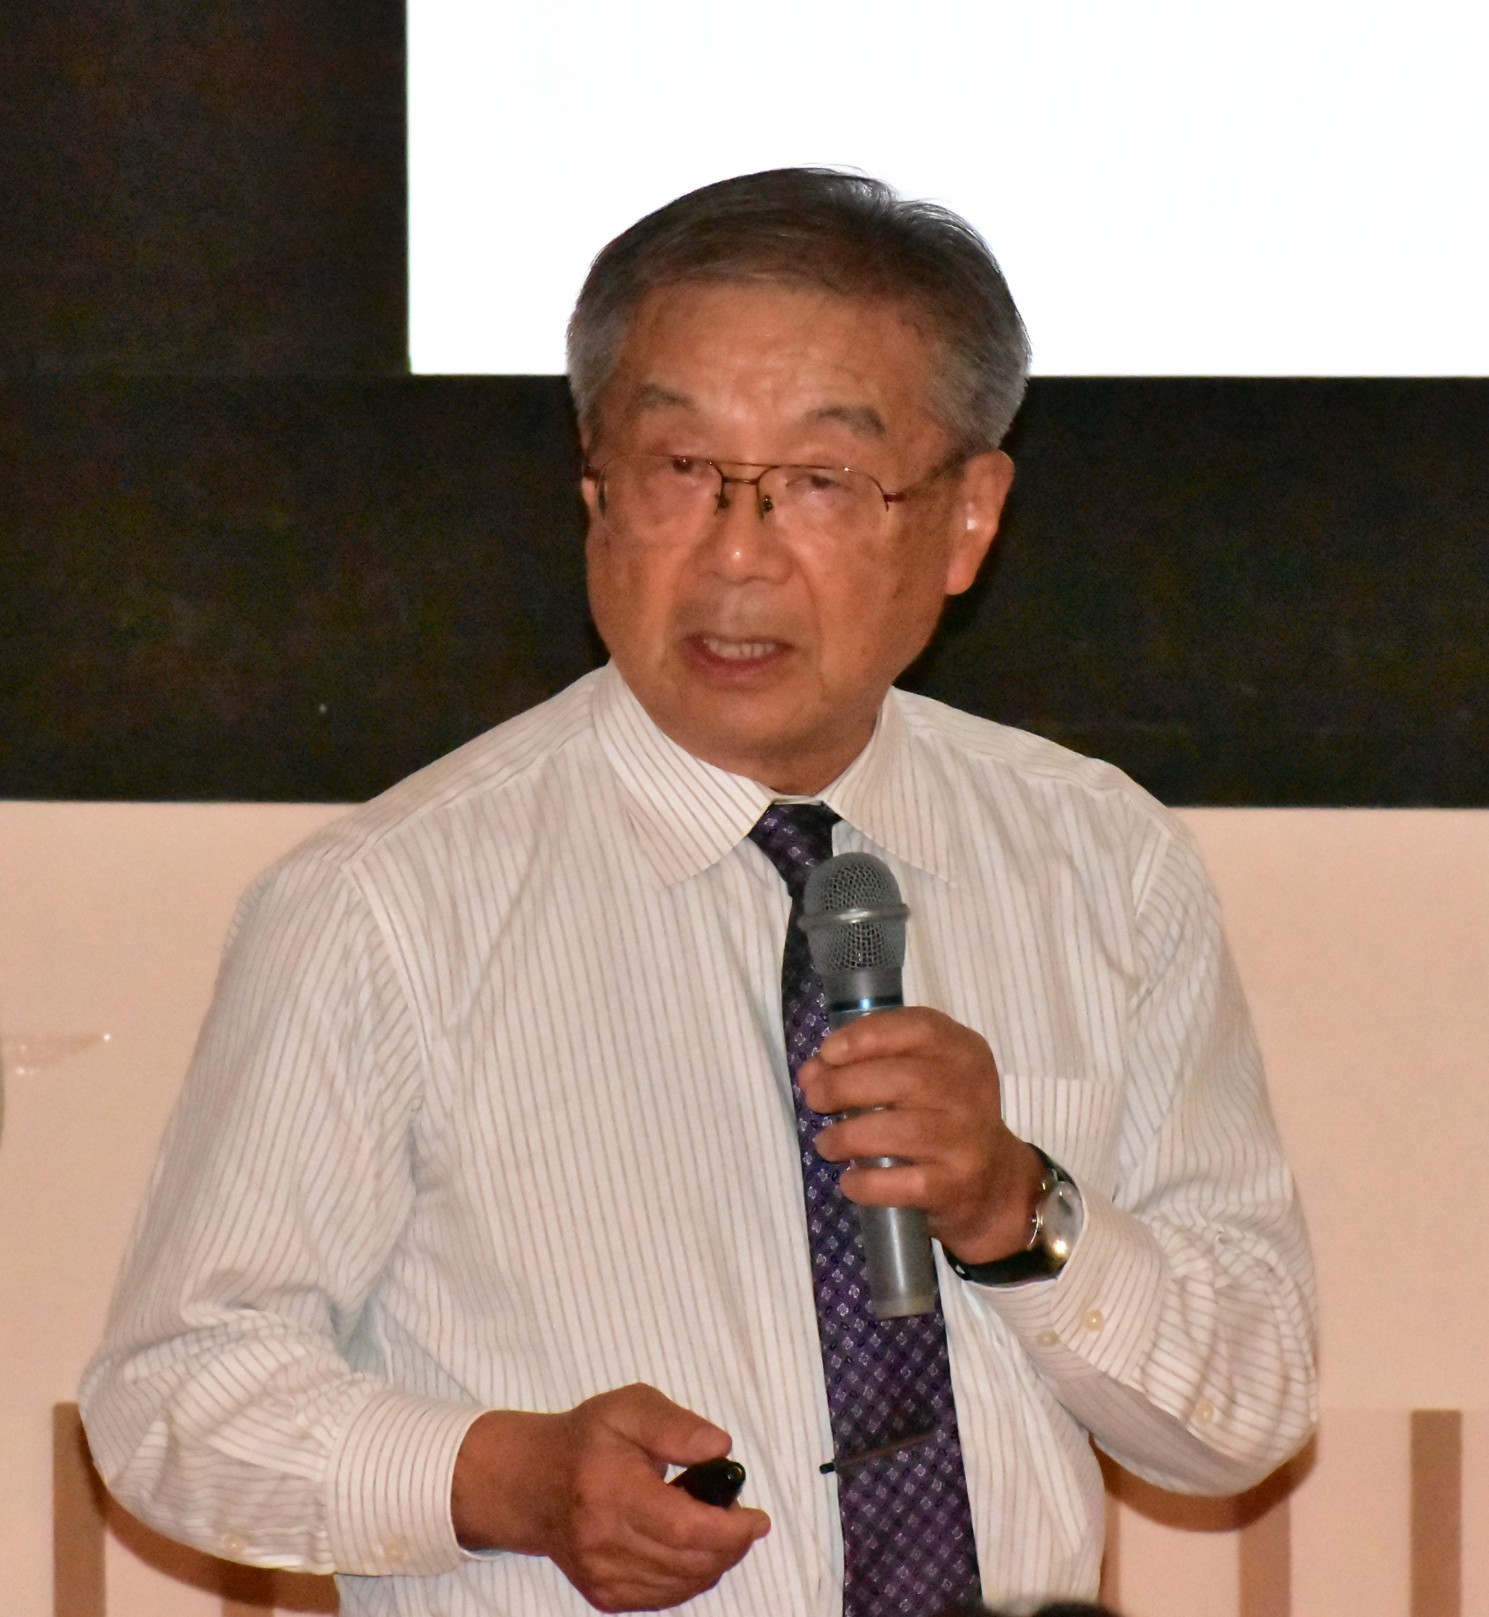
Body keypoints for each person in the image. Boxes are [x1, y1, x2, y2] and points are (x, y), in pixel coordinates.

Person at [81, 169, 1317, 1616]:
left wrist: (1014, 1204)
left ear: (968, 518)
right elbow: (174, 1400)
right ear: (594, 489)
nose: (735, 553)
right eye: (679, 469)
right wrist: (503, 1478)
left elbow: (1244, 1411)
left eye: (820, 482)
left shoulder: (1099, 862)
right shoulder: (387, 904)